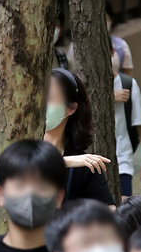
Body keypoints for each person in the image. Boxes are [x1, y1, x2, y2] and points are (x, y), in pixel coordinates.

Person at [44, 69, 114, 204]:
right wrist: (65, 162)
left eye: (49, 99)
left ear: (71, 108)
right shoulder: (22, 145)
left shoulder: (85, 165)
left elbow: (110, 213)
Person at [113, 65, 141, 196]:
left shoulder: (128, 84)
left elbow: (140, 124)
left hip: (122, 159)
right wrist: (110, 96)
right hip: (92, 163)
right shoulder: (82, 82)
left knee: (123, 210)